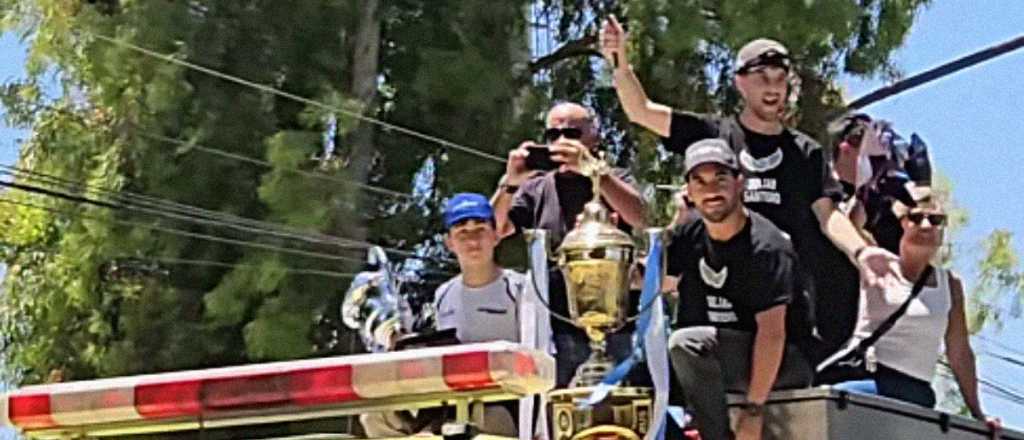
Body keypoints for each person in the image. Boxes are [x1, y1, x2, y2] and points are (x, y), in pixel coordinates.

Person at [600, 16, 898, 357]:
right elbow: (641, 111)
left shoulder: (805, 152)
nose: (773, 88)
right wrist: (620, 63)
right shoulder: (712, 134)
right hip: (716, 293)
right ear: (740, 83)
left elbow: (827, 214)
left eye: (780, 79)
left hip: (778, 298)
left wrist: (862, 252)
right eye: (762, 79)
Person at [667, 139, 814, 440]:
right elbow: (660, 285)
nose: (711, 191)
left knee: (685, 344)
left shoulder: (767, 246)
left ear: (739, 183)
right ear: (689, 192)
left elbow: (772, 334)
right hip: (727, 355)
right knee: (642, 368)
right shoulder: (689, 231)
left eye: (720, 179)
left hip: (783, 360)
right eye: (700, 182)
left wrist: (754, 409)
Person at [491, 102, 646, 387]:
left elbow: (640, 216)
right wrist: (510, 182)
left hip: (617, 322)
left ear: (594, 138)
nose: (562, 141)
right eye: (554, 134)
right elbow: (494, 231)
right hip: (556, 323)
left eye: (572, 133)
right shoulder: (537, 186)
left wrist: (595, 171)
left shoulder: (615, 177)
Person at [833, 187, 1001, 431]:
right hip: (867, 381)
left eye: (935, 220)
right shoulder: (878, 263)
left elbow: (960, 352)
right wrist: (866, 187)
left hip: (915, 393)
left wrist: (977, 413)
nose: (925, 226)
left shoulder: (950, 285)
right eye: (915, 217)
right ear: (902, 223)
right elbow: (850, 226)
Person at [360, 193, 524, 437]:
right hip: (449, 398)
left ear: (495, 235)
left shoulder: (520, 288)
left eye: (480, 229)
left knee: (488, 422)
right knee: (375, 416)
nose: (472, 241)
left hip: (501, 400)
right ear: (449, 242)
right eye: (462, 233)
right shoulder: (444, 294)